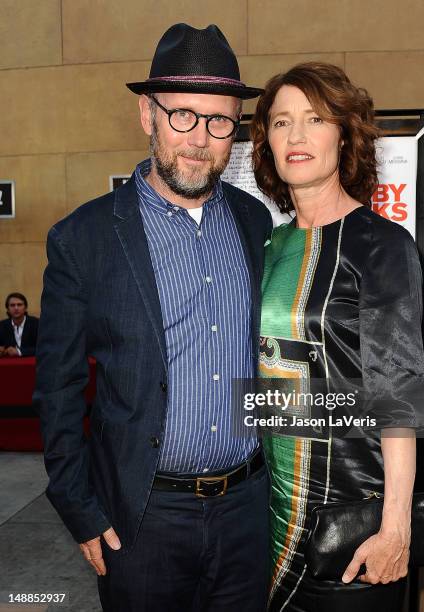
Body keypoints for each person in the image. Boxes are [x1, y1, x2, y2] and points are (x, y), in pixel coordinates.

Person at [34, 24, 272, 612]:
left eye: (220, 121)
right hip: (140, 519)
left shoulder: (255, 223)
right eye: (183, 116)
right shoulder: (82, 238)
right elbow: (57, 390)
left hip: (248, 512)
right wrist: (79, 508)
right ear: (148, 115)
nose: (201, 139)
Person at [251, 62, 424, 611]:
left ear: (344, 135)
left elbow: (398, 394)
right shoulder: (267, 246)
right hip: (264, 521)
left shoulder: (381, 245)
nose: (296, 136)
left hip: (350, 531)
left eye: (315, 119)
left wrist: (395, 529)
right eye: (281, 123)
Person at [0, 292, 38, 357]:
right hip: (9, 364)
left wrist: (19, 351)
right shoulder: (1, 326)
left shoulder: (36, 324)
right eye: (12, 305)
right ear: (8, 309)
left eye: (19, 305)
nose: (16, 308)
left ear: (25, 307)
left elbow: (43, 347)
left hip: (32, 364)